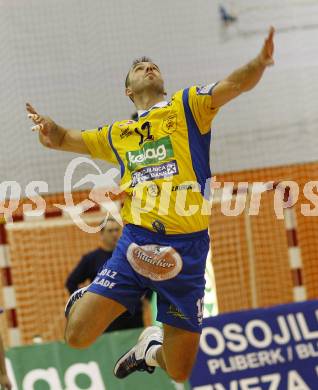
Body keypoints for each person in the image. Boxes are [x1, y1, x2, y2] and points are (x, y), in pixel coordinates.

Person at [26, 27, 275, 383]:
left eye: (152, 65)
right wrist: (50, 132)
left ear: (162, 81)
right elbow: (64, 138)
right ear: (129, 90)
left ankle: (149, 350)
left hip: (187, 249)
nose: (148, 67)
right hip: (136, 243)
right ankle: (92, 293)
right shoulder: (117, 134)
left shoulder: (187, 107)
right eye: (139, 67)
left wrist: (259, 63)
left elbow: (233, 85)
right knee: (77, 337)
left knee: (179, 369)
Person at [66, 217, 152, 331]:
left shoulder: (132, 255)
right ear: (101, 234)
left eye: (117, 230)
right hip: (105, 317)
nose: (114, 234)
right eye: (110, 231)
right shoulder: (91, 259)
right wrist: (86, 305)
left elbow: (148, 276)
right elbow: (71, 282)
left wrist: (147, 299)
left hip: (132, 314)